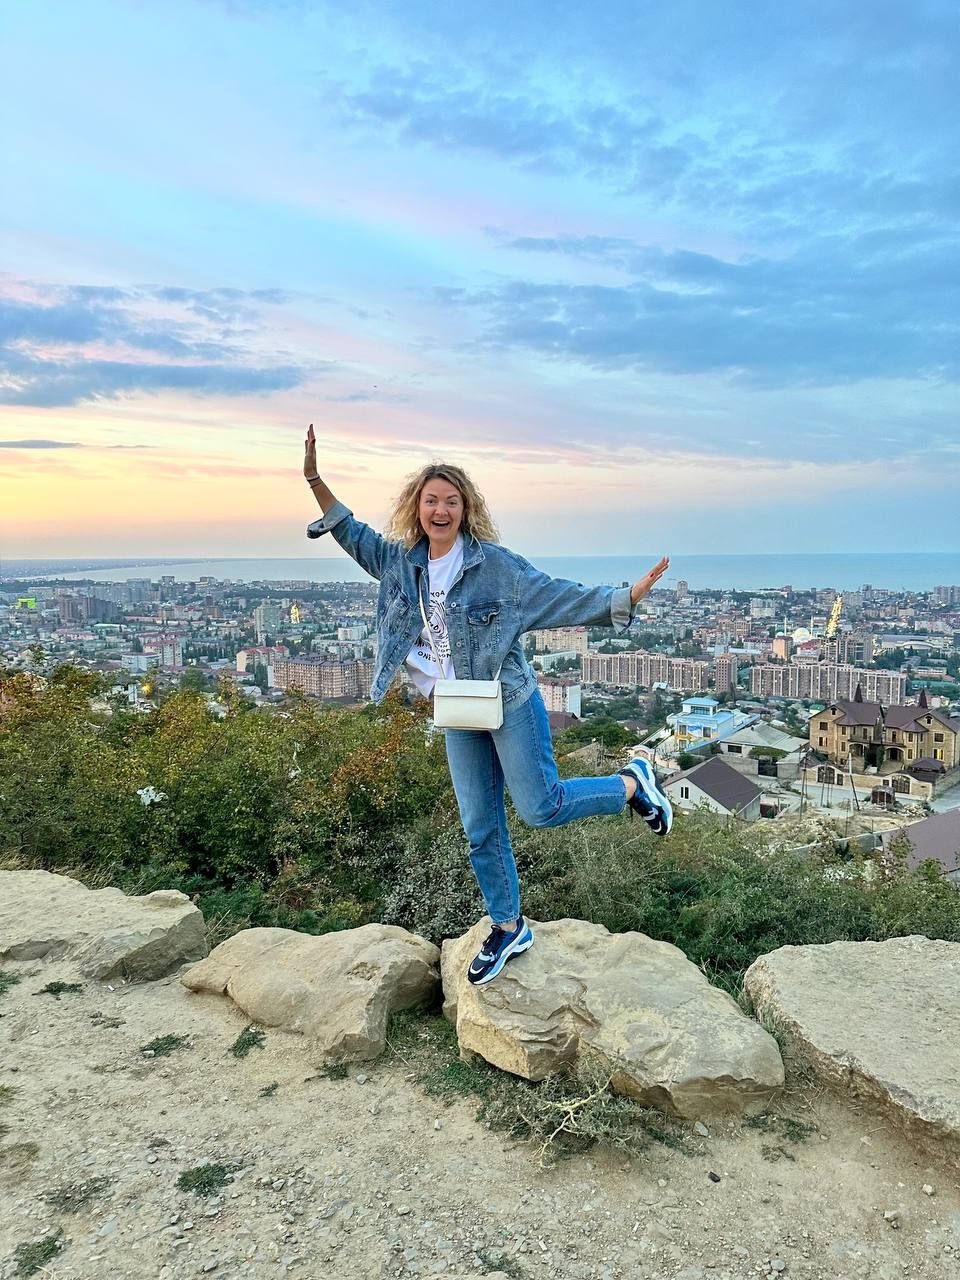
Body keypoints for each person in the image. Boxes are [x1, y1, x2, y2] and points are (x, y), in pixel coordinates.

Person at [303, 424, 673, 986]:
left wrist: (623, 598)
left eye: (451, 501)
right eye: (431, 500)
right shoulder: (400, 562)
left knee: (540, 807)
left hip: (507, 699)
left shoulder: (495, 566)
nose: (440, 510)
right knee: (480, 826)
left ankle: (630, 784)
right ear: (416, 508)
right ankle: (508, 926)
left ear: (466, 509)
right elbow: (349, 530)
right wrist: (314, 478)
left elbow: (557, 595)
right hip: (456, 709)